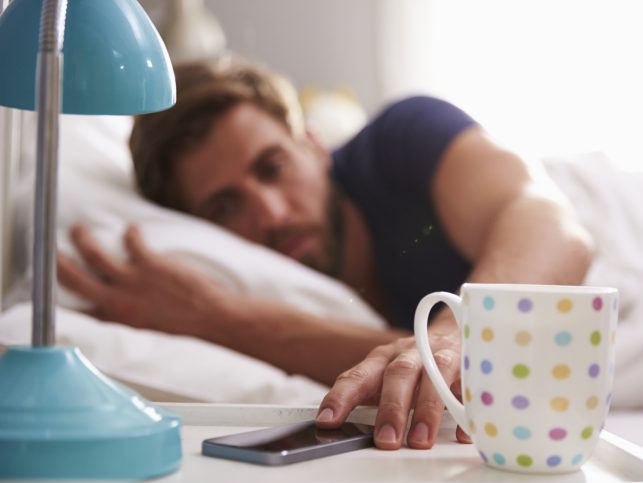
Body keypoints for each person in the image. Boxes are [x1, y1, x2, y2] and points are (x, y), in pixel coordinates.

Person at [57, 60, 593, 450]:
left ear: (313, 145)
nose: (268, 213)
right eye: (224, 206)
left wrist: (461, 329)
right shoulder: (282, 283)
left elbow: (552, 224)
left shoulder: (402, 142)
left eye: (272, 168)